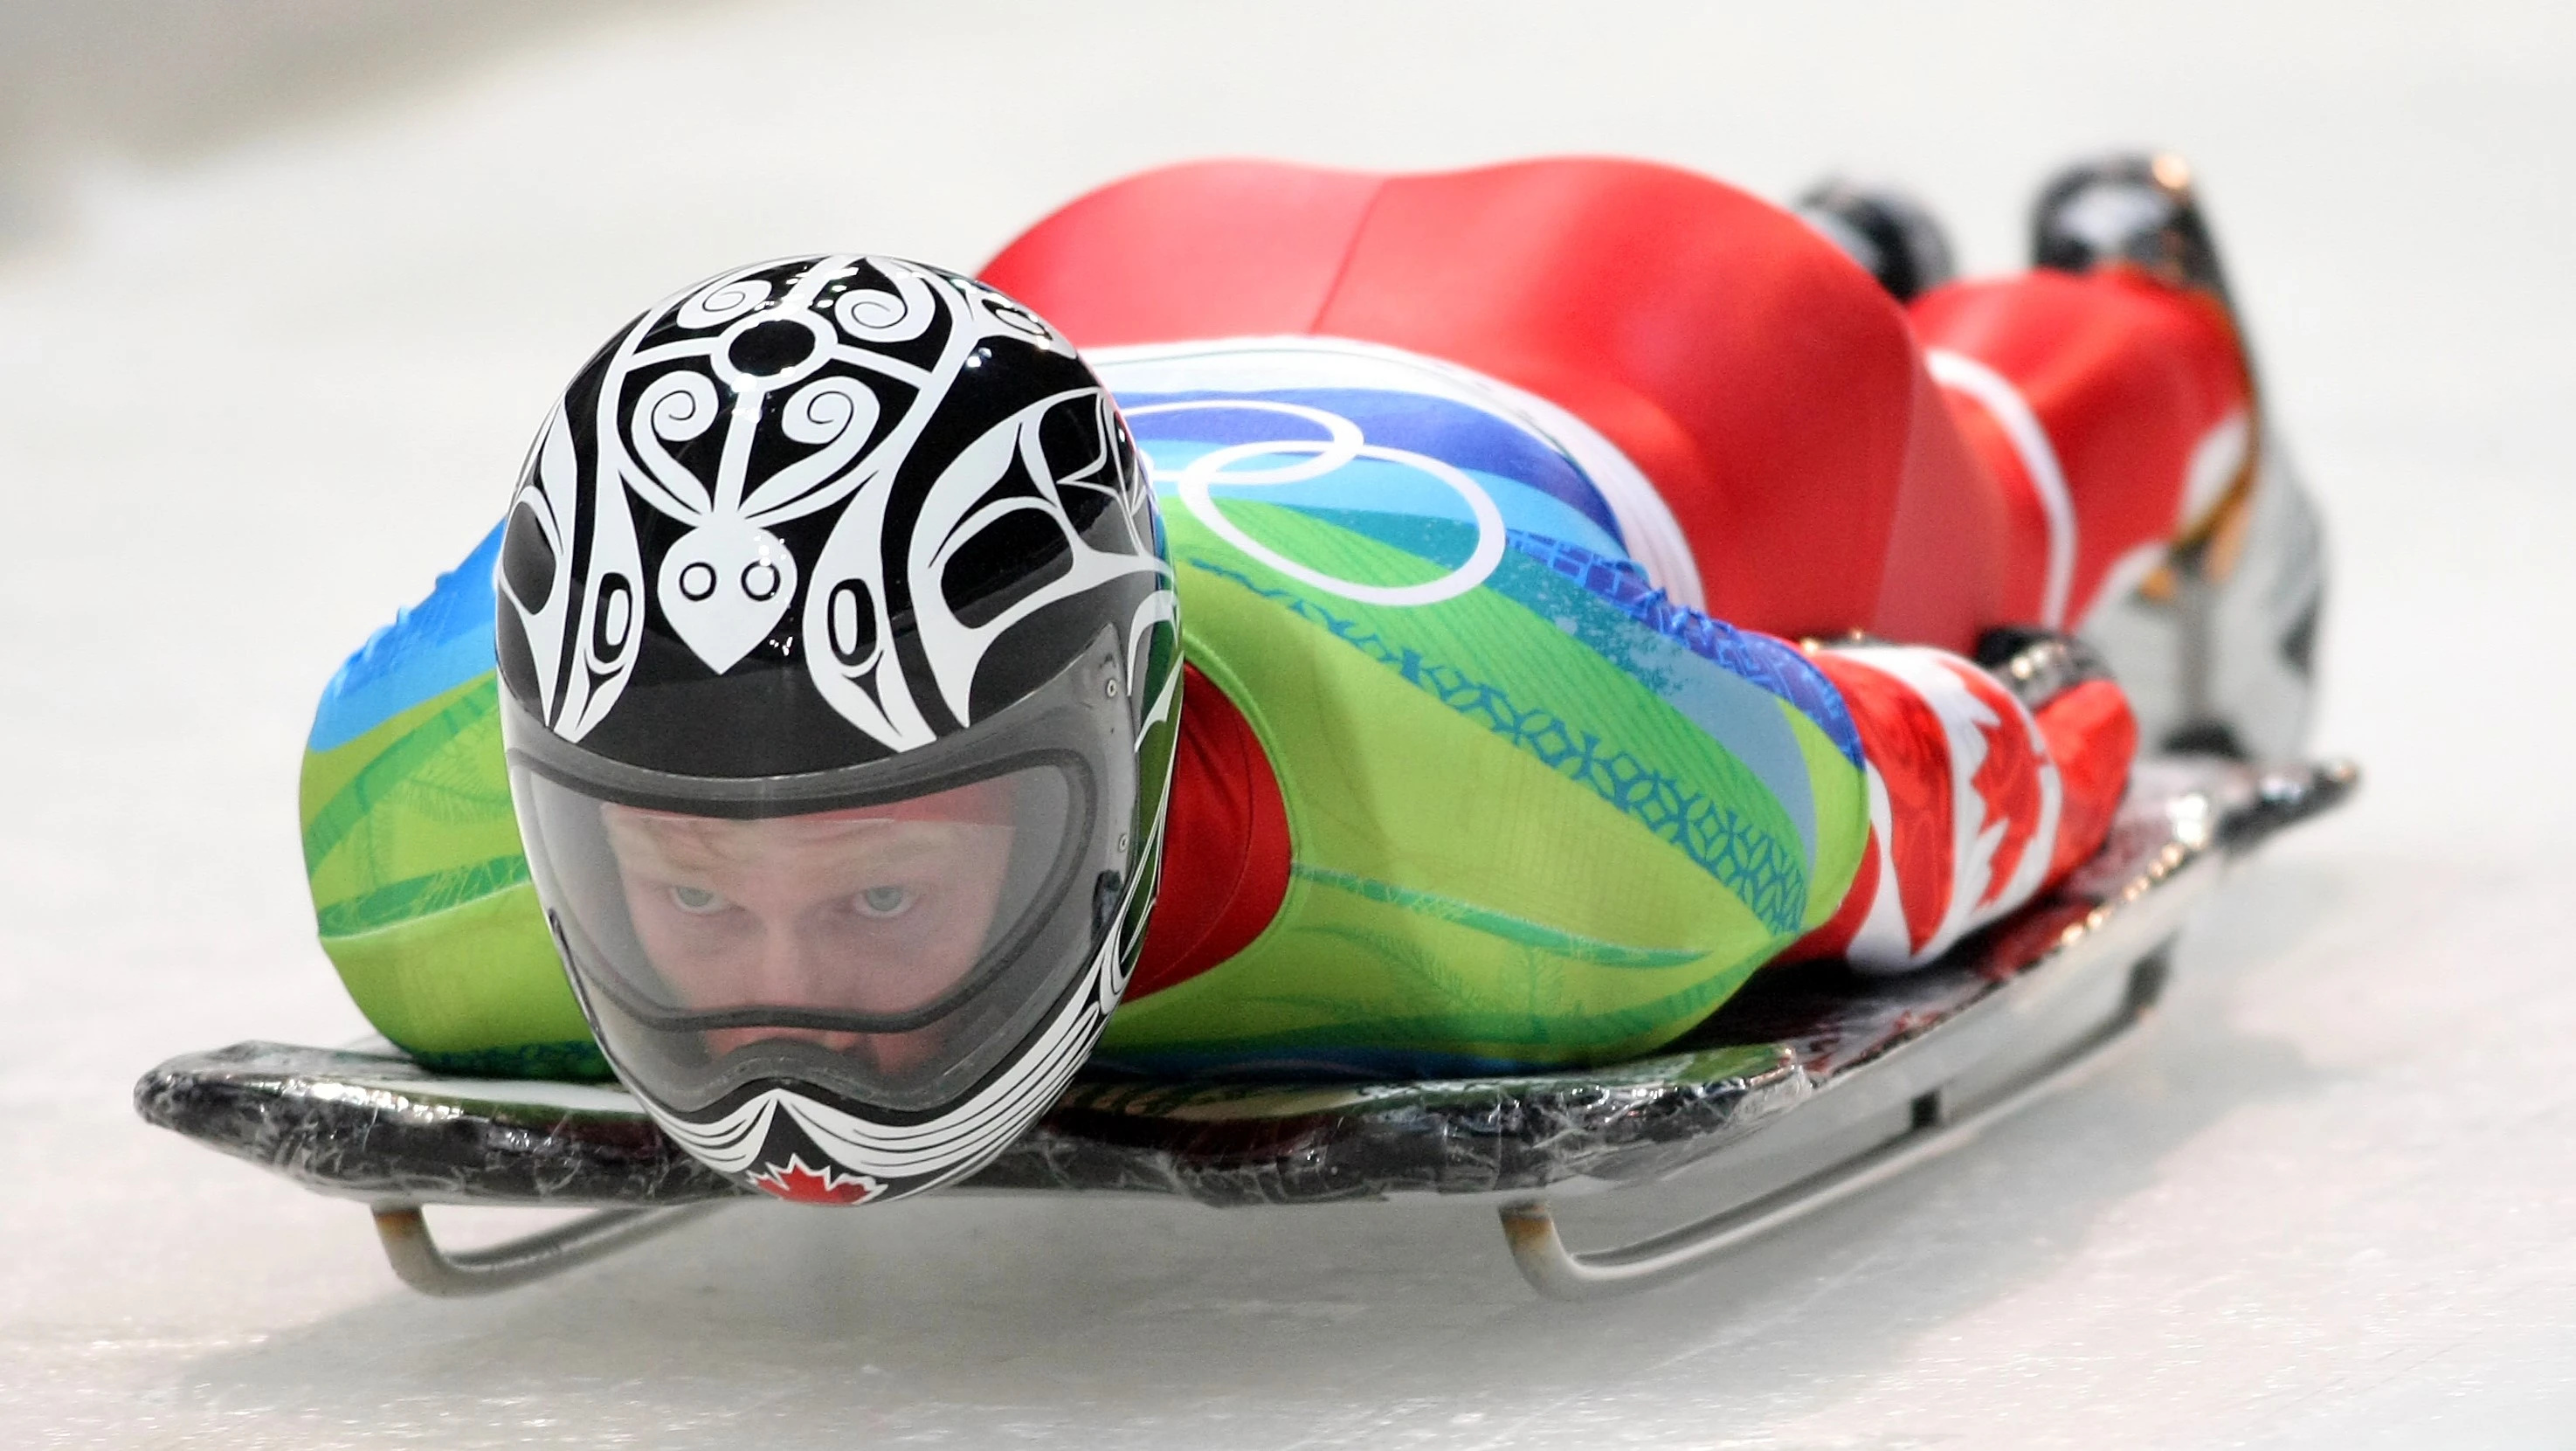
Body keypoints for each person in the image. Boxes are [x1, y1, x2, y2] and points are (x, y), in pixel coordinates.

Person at [294, 154, 2323, 1204]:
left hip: (1661, 334)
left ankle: (2121, 317)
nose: (786, 1021)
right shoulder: (417, 809)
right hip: (1120, 281)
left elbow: (1975, 760)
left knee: (1980, 477)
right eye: (684, 893)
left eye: (888, 892)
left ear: (1125, 748)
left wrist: (2039, 681)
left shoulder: (1554, 807)